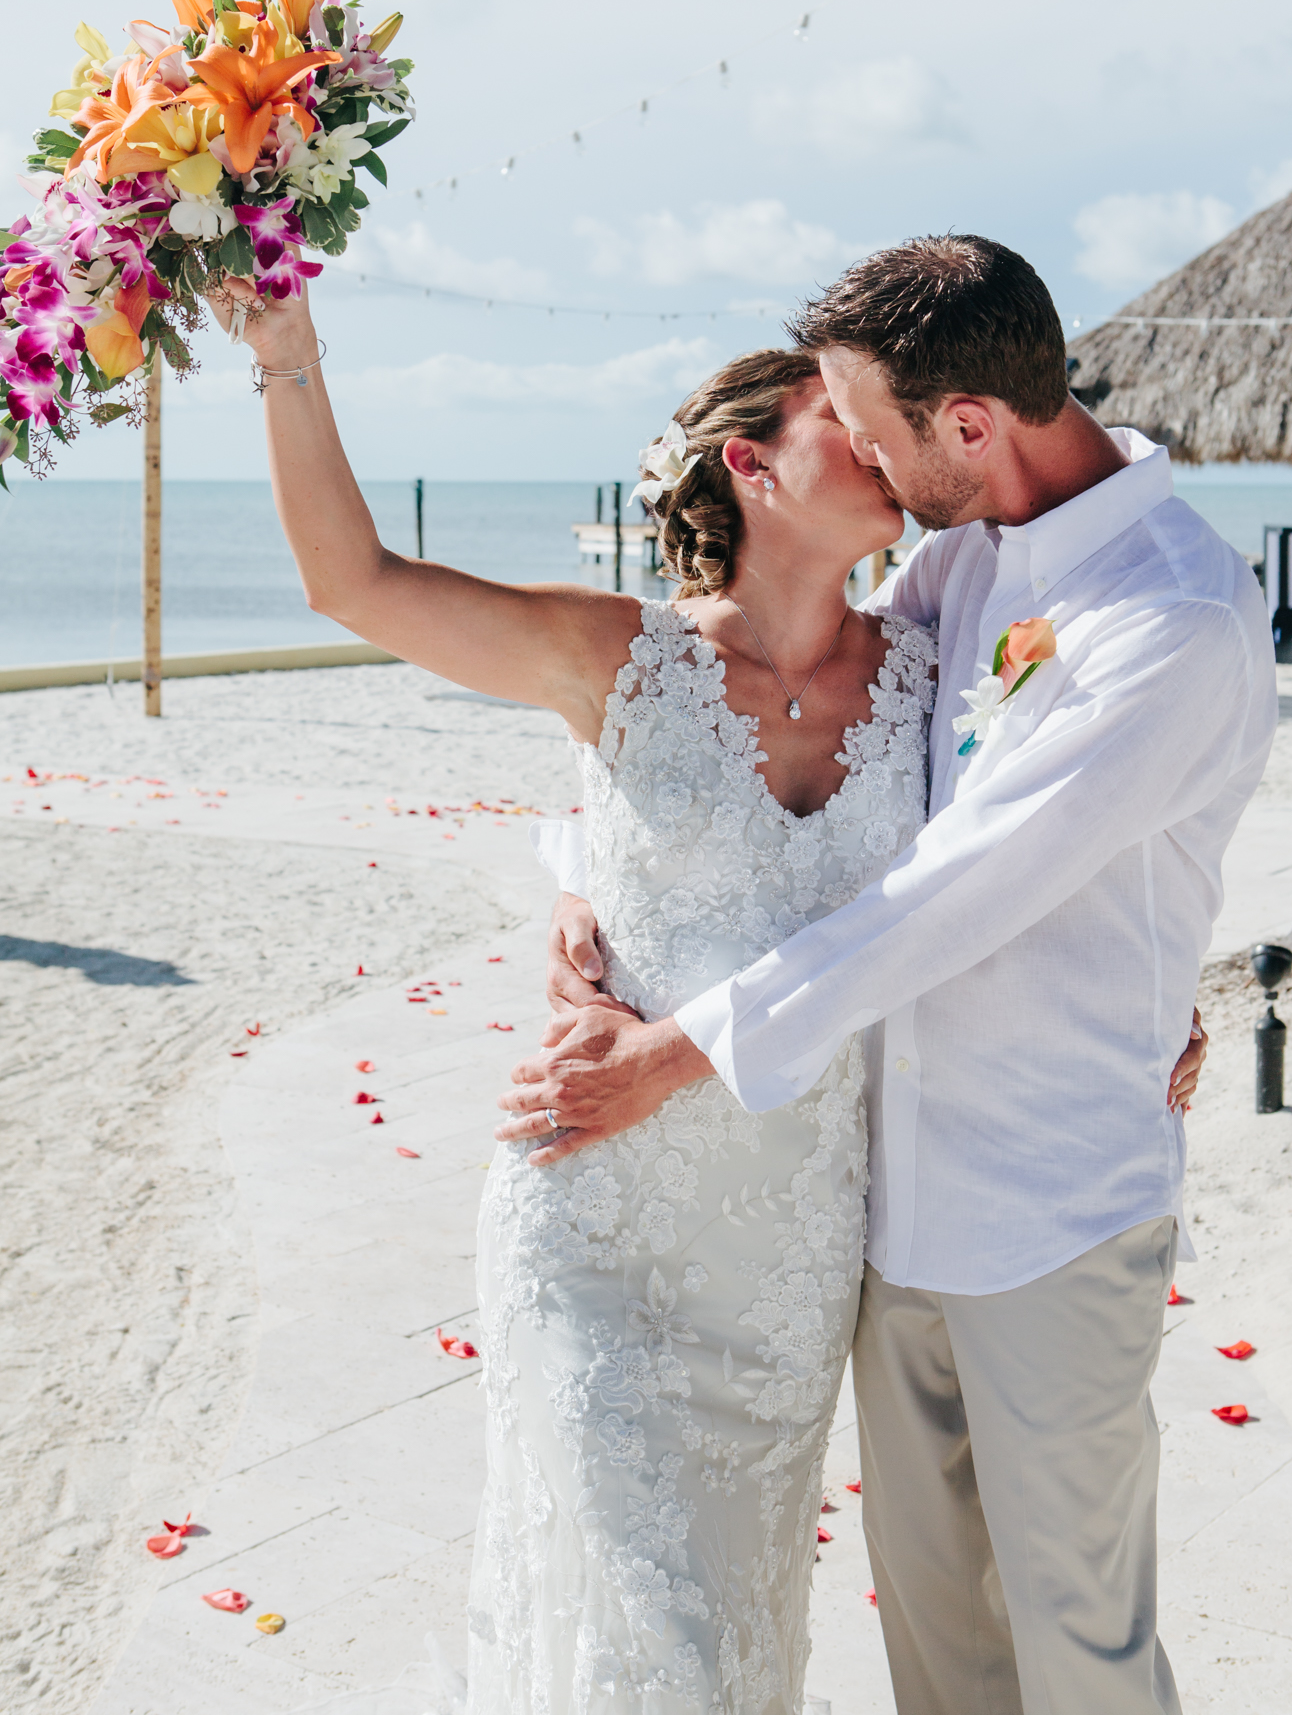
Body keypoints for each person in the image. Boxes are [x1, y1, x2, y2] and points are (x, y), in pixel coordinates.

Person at [209, 263, 1204, 1714]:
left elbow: (1032, 857)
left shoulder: (936, 664)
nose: (878, 444)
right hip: (598, 1217)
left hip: (798, 1249)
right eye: (840, 424)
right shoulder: (611, 656)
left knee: (735, 1638)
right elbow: (353, 584)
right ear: (750, 465)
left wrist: (1155, 997)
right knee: (650, 1642)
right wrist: (286, 355)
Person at [505, 233, 1271, 1715]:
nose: (849, 447)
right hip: (891, 1202)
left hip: (1052, 1207)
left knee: (1082, 1648)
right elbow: (784, 744)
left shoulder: (1165, 620)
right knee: (940, 1650)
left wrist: (669, 1055)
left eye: (865, 424)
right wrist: (585, 879)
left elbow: (945, 897)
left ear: (969, 424)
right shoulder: (955, 558)